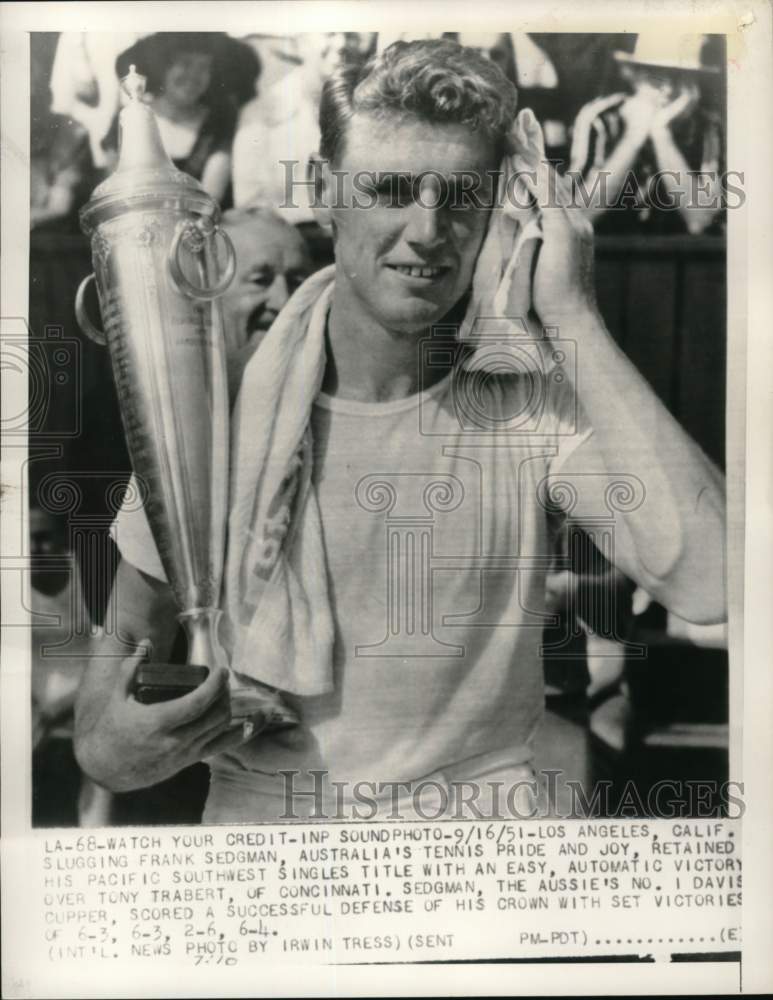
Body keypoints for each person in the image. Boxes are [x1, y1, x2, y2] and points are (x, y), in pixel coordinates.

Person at [74, 39, 726, 823]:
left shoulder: (522, 397)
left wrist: (571, 312)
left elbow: (714, 578)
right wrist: (122, 744)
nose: (427, 229)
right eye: (387, 188)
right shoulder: (211, 415)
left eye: (458, 194)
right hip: (271, 863)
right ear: (322, 190)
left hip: (476, 868)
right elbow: (101, 727)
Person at [568, 33, 725, 234]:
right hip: (604, 257)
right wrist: (633, 139)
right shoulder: (600, 118)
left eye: (679, 76)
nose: (668, 88)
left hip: (677, 256)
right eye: (656, 75)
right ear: (633, 74)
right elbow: (579, 215)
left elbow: (700, 220)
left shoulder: (706, 126)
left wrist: (661, 135)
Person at [103, 33, 261, 207]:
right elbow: (117, 189)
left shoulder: (218, 123)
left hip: (196, 226)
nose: (193, 76)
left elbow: (210, 198)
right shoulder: (131, 117)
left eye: (204, 67)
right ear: (162, 68)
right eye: (185, 64)